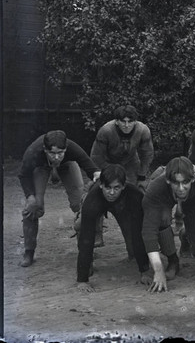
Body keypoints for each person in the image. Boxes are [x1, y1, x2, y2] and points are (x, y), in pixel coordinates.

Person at [18, 130, 100, 267]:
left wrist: (97, 175)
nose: (56, 157)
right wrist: (30, 196)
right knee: (33, 207)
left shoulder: (73, 148)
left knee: (81, 204)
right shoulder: (33, 152)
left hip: (67, 165)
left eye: (60, 153)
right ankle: (29, 251)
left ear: (66, 148)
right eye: (52, 153)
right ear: (44, 149)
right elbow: (23, 175)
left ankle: (86, 249)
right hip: (41, 167)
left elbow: (90, 166)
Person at [142, 156, 195, 292]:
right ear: (168, 181)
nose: (181, 188)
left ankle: (186, 236)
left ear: (192, 179)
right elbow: (149, 230)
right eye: (176, 183)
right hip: (164, 192)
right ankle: (173, 260)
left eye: (185, 182)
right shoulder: (156, 188)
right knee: (161, 219)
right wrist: (158, 270)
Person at [76, 164, 151, 292]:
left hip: (123, 206)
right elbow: (86, 238)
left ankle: (140, 262)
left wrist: (144, 272)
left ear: (123, 186)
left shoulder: (135, 195)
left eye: (116, 188)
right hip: (95, 203)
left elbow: (138, 233)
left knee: (135, 242)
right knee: (81, 227)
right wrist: (82, 280)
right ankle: (86, 264)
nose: (111, 192)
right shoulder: (92, 200)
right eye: (108, 187)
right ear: (101, 185)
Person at [90, 105, 154, 251]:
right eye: (122, 121)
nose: (126, 125)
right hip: (106, 162)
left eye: (130, 121)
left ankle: (136, 239)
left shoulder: (143, 130)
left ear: (135, 122)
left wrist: (142, 175)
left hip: (131, 163)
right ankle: (97, 233)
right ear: (116, 121)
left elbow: (147, 154)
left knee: (135, 196)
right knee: (99, 194)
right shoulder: (106, 131)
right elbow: (96, 156)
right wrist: (109, 171)